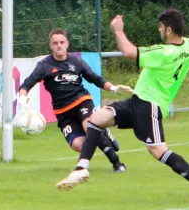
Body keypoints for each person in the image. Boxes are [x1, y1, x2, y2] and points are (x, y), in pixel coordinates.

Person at [55, 9, 189, 204]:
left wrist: (118, 30)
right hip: (137, 101)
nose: (159, 31)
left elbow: (129, 52)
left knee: (159, 151)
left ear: (168, 29)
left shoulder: (162, 52)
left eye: (160, 27)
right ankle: (81, 169)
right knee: (96, 120)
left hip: (149, 107)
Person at [18, 28, 133, 173]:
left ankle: (117, 164)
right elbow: (27, 83)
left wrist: (113, 88)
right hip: (62, 112)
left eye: (61, 42)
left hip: (81, 101)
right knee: (79, 145)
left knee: (90, 127)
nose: (59, 45)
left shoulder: (76, 62)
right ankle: (103, 132)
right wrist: (22, 97)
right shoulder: (44, 65)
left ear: (67, 44)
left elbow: (94, 78)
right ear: (50, 46)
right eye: (55, 43)